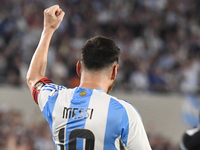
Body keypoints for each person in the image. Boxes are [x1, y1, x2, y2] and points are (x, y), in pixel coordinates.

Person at [26, 5, 152, 150]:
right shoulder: (124, 112)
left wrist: (48, 29)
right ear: (114, 72)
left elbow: (33, 77)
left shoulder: (56, 99)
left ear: (78, 67)